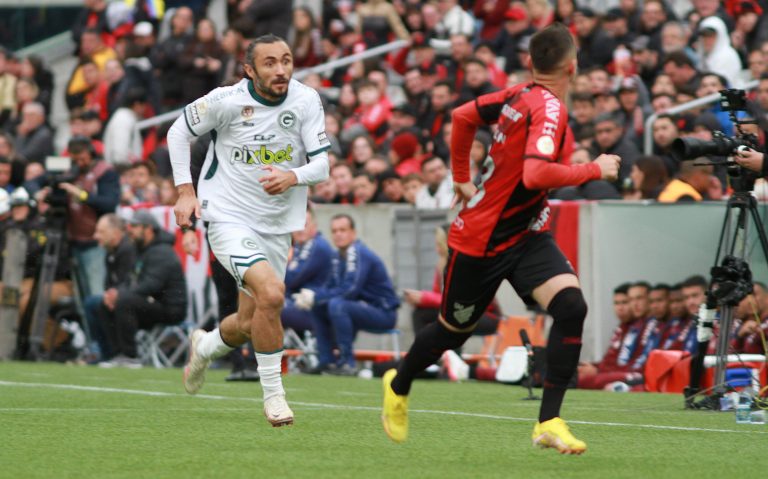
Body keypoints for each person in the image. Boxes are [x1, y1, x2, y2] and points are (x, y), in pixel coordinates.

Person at [380, 24, 620, 453]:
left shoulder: (517, 95)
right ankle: (398, 385)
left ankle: (549, 421)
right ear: (573, 65)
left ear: (530, 62)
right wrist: (593, 169)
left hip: (526, 235)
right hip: (481, 242)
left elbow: (462, 115)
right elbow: (535, 173)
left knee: (571, 306)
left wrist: (461, 177)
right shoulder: (547, 108)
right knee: (453, 332)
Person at [169, 34, 330, 427]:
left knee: (249, 321)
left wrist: (292, 176)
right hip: (226, 216)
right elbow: (178, 132)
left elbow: (322, 166)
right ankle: (275, 397)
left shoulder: (306, 100)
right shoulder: (225, 100)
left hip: (277, 226)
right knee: (272, 294)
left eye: (287, 60)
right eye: (271, 63)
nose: (281, 70)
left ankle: (205, 346)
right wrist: (185, 192)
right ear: (249, 70)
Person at [294, 214, 400, 375]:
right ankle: (326, 361)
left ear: (353, 233)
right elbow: (329, 287)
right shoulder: (337, 257)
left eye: (343, 230)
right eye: (334, 231)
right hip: (360, 309)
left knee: (337, 304)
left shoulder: (358, 252)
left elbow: (350, 290)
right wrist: (311, 295)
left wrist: (316, 297)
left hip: (384, 312)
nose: (338, 234)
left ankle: (347, 362)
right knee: (318, 306)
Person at [97, 211, 187, 368]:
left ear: (149, 229)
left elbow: (151, 284)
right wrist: (113, 294)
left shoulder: (162, 252)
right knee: (104, 304)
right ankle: (117, 354)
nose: (129, 229)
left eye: (134, 226)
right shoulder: (141, 250)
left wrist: (120, 294)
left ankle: (130, 356)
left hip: (170, 309)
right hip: (150, 303)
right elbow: (130, 280)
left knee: (125, 301)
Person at [85, 213, 136, 361]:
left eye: (100, 232)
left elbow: (130, 280)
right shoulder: (111, 252)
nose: (95, 236)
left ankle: (110, 352)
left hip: (131, 299)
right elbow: (108, 283)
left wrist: (115, 294)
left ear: (114, 233)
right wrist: (110, 294)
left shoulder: (128, 250)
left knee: (94, 303)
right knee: (95, 303)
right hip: (119, 296)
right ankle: (106, 351)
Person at [282, 208, 333, 335]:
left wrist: (284, 264)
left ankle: (254, 355)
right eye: (296, 225)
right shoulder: (300, 245)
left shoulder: (316, 246)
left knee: (263, 309)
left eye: (304, 224)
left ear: (314, 227)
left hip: (314, 310)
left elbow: (290, 279)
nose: (299, 229)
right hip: (299, 304)